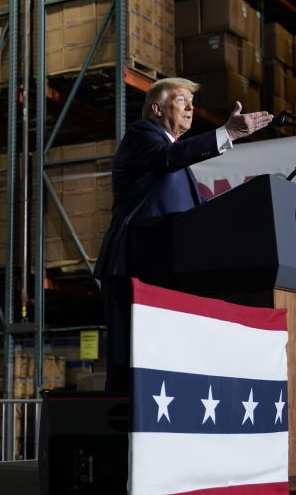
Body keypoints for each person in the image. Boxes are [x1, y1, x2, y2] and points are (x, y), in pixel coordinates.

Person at [93, 77, 273, 392]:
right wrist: (227, 132)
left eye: (191, 102)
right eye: (181, 100)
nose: (191, 107)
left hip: (164, 264)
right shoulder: (143, 135)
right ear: (157, 109)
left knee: (161, 355)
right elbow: (166, 160)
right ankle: (124, 426)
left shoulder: (173, 151)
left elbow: (194, 213)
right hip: (133, 262)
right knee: (130, 356)